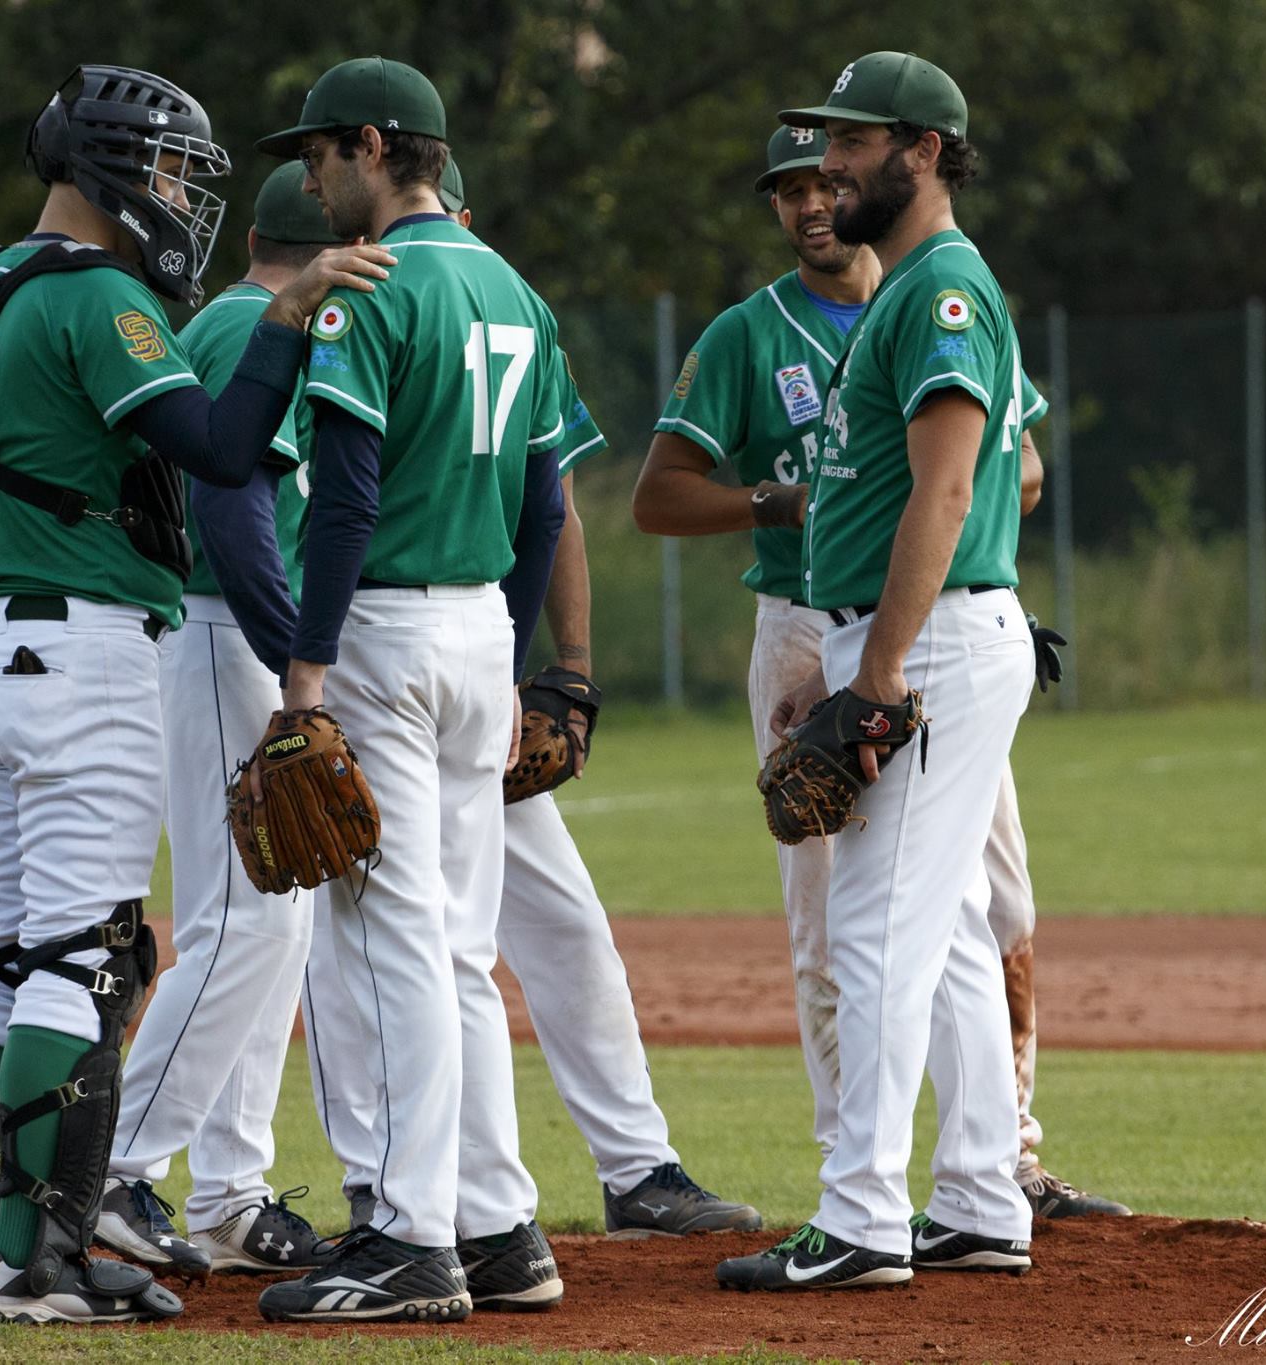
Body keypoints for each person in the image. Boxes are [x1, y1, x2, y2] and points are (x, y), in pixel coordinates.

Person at [0, 64, 390, 1324]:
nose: (178, 195)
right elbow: (224, 452)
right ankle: (45, 1261)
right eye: (171, 170)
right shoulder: (100, 296)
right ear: (116, 165)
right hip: (82, 652)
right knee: (87, 958)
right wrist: (284, 325)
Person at [633, 128, 1129, 1221]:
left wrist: (933, 513)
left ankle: (994, 1166)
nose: (814, 201)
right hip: (814, 625)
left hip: (920, 622)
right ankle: (878, 1175)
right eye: (792, 187)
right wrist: (783, 502)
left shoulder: (928, 296)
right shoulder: (749, 335)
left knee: (988, 906)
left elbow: (1013, 466)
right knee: (840, 924)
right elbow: (653, 496)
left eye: (831, 175)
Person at [300, 159, 763, 1252]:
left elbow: (539, 503)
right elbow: (539, 503)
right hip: (443, 651)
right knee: (397, 940)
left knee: (459, 932)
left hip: (420, 653)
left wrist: (560, 669)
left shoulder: (404, 301)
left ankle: (582, 1183)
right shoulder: (485, 298)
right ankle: (416, 1195)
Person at [712, 51, 1042, 1291]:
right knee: (946, 928)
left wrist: (881, 669)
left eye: (851, 142)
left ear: (921, 149)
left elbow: (952, 490)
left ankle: (857, 1218)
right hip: (918, 636)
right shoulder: (915, 286)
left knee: (877, 929)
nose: (827, 163)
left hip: (930, 641)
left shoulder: (939, 290)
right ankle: (975, 1199)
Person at [247, 58, 568, 1325]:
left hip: (380, 631)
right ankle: (499, 1229)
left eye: (325, 152)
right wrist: (514, 646)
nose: (315, 176)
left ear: (379, 146)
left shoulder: (367, 289)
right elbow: (546, 504)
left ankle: (408, 1238)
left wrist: (303, 673)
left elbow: (344, 504)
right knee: (457, 947)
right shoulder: (514, 291)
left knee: (387, 943)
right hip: (482, 630)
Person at [92, 162, 347, 1280]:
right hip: (217, 631)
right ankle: (112, 1168)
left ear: (253, 234)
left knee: (271, 921)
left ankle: (232, 1196)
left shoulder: (230, 309)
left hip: (210, 633)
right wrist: (296, 657)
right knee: (245, 920)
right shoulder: (262, 328)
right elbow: (228, 510)